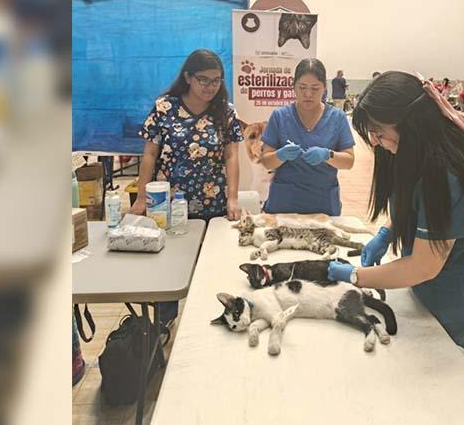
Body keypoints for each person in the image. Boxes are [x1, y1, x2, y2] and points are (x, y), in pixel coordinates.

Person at [326, 71, 464, 369]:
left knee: (448, 376)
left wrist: (355, 276)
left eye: (379, 133)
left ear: (411, 123)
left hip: (461, 291)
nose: (376, 142)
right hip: (431, 280)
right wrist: (386, 230)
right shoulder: (411, 152)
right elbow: (422, 208)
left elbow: (423, 265)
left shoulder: (447, 173)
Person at [132, 48, 244, 329]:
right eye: (203, 80)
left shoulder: (226, 112)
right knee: (168, 268)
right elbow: (149, 154)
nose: (210, 87)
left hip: (213, 205)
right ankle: (162, 326)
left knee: (211, 268)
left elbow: (232, 156)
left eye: (216, 80)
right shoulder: (164, 108)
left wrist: (232, 198)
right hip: (166, 206)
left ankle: (208, 322)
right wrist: (141, 197)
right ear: (188, 77)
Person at [259, 58, 355, 216]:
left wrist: (327, 155)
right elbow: (266, 161)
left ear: (324, 88)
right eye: (302, 88)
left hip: (323, 202)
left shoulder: (337, 117)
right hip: (284, 202)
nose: (308, 94)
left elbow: (349, 161)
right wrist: (280, 155)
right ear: (293, 87)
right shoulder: (280, 116)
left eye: (315, 88)